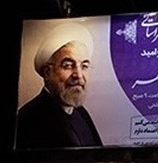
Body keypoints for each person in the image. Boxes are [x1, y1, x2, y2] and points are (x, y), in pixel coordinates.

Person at [15, 21, 103, 149]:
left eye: (84, 66)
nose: (79, 75)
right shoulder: (27, 119)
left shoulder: (81, 113)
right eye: (68, 66)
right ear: (47, 72)